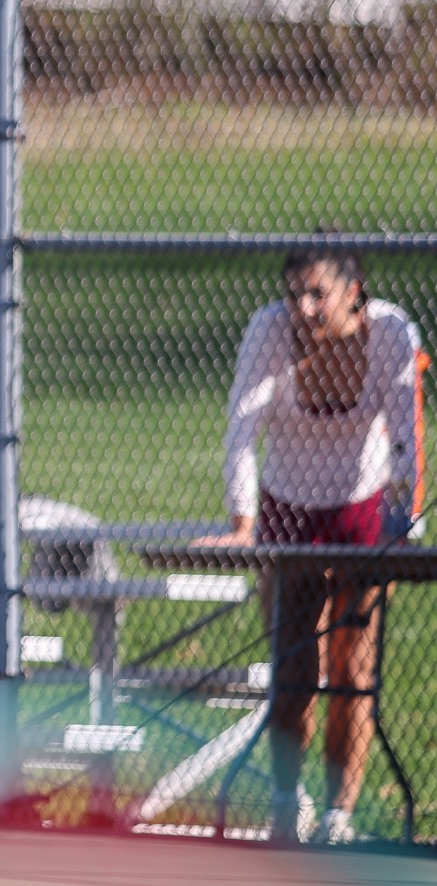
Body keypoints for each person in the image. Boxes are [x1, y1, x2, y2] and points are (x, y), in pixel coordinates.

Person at [198, 239, 423, 844]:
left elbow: (408, 430)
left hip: (361, 513)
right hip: (287, 512)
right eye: (294, 293)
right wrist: (244, 522)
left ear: (353, 292)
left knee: (354, 667)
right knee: (295, 665)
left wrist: (406, 521)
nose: (302, 306)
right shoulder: (269, 331)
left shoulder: (394, 333)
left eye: (316, 293)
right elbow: (242, 427)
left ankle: (338, 815)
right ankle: (284, 800)